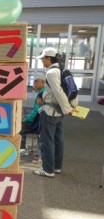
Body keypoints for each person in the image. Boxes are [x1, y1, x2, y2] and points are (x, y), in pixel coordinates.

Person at [33, 48, 78, 178]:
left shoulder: (51, 73)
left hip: (50, 112)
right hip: (59, 113)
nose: (41, 61)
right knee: (58, 140)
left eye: (42, 58)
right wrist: (71, 106)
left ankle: (48, 170)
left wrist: (68, 109)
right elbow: (71, 89)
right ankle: (57, 167)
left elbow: (58, 92)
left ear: (48, 58)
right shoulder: (63, 70)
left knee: (47, 141)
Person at [19, 77, 45, 156]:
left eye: (36, 82)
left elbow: (36, 110)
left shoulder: (42, 93)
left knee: (20, 128)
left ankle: (22, 149)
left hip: (37, 120)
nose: (34, 84)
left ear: (43, 82)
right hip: (42, 120)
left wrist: (27, 119)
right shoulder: (45, 91)